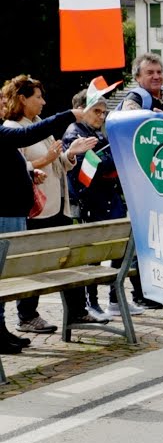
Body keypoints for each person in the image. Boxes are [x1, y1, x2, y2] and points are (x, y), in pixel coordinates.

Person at [2, 75, 105, 335]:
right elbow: (16, 168)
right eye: (38, 97)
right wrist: (45, 161)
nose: (43, 102)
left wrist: (70, 154)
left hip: (58, 204)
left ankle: (77, 311)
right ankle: (27, 315)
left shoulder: (39, 124)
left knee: (64, 258)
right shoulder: (13, 127)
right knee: (35, 264)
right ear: (22, 99)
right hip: (36, 209)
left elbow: (56, 162)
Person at [64, 84, 146, 324]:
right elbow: (99, 166)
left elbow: (113, 161)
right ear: (81, 109)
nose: (102, 116)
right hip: (92, 203)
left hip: (109, 202)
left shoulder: (97, 132)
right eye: (97, 111)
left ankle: (114, 298)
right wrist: (110, 160)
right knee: (93, 256)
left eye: (104, 112)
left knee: (119, 251)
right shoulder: (75, 132)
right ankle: (92, 303)